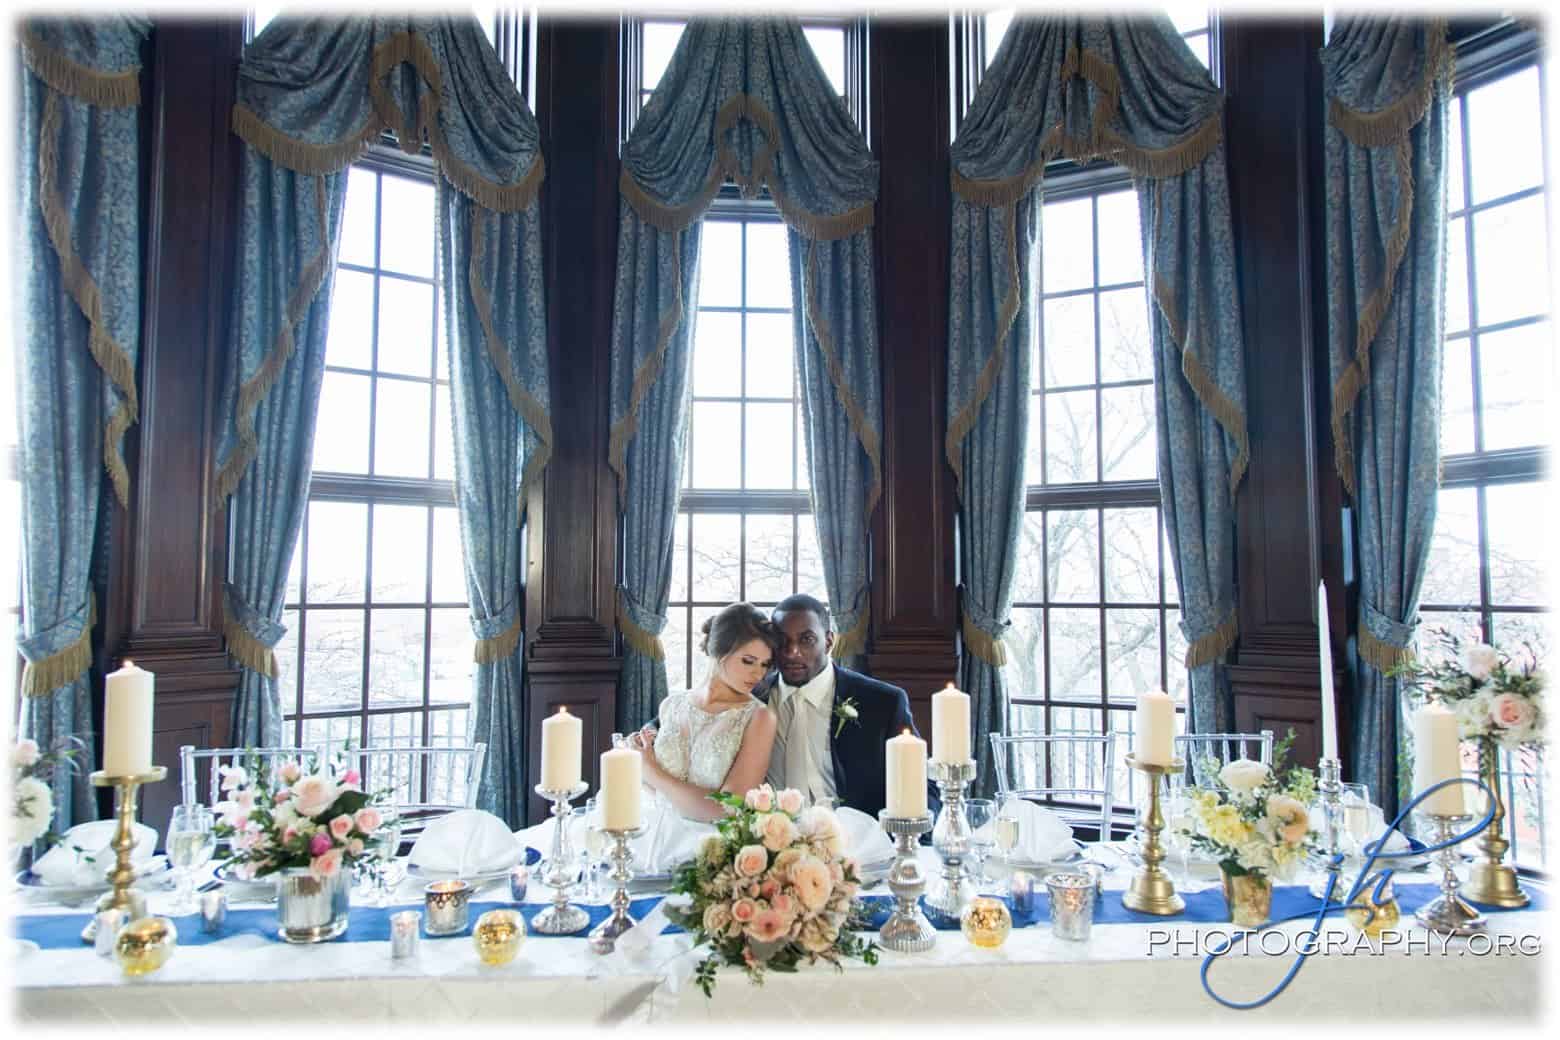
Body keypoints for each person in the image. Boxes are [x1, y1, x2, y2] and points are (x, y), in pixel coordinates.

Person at [758, 594, 929, 819]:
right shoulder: (754, 701)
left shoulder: (882, 702)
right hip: (772, 835)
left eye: (807, 639)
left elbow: (923, 788)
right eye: (782, 641)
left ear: (829, 641)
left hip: (859, 835)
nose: (792, 652)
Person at [627, 603, 780, 822]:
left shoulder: (760, 717)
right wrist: (635, 757)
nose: (759, 674)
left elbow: (728, 810)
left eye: (765, 665)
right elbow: (650, 790)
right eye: (748, 661)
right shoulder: (671, 705)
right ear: (719, 650)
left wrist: (651, 771)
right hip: (653, 825)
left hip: (708, 839)